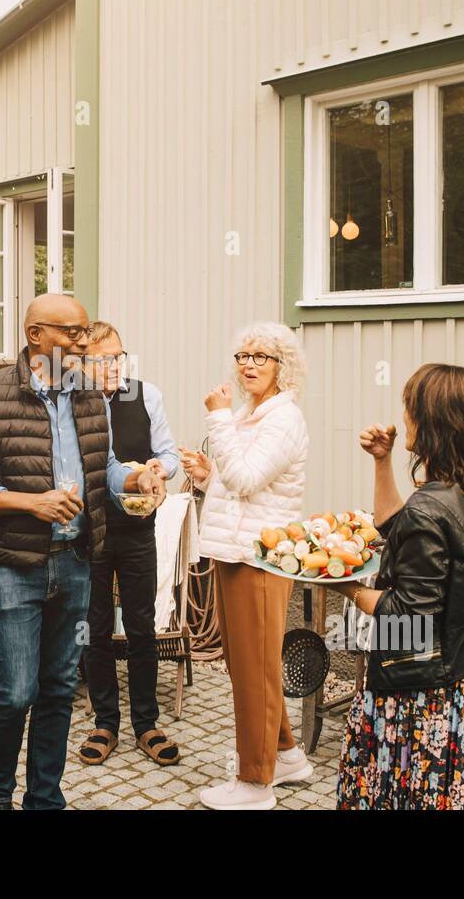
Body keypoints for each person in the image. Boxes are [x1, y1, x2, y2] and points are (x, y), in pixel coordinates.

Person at [0, 294, 165, 810]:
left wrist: (133, 475)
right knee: (15, 691)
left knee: (59, 688)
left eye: (85, 332)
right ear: (36, 334)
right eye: (73, 333)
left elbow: (103, 466)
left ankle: (45, 797)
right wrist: (29, 503)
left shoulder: (91, 395)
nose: (83, 342)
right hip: (14, 566)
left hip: (75, 563)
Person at [330, 364, 464, 810]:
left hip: (425, 699)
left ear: (433, 423)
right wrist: (381, 461)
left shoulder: (430, 508)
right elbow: (397, 528)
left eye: (411, 408)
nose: (404, 416)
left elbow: (408, 617)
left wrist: (345, 586)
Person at [180, 322, 311, 810]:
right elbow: (237, 481)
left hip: (258, 559)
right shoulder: (252, 413)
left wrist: (217, 421)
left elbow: (248, 478)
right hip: (233, 552)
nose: (248, 365)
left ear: (282, 365)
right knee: (247, 664)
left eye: (261, 356)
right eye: (242, 356)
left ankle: (256, 783)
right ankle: (287, 755)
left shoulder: (282, 418)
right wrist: (208, 473)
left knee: (254, 668)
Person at [77, 321, 181, 767]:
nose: (112, 366)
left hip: (139, 528)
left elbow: (171, 455)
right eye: (101, 359)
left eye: (117, 356)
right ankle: (105, 722)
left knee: (142, 626)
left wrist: (160, 467)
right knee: (94, 627)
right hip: (90, 531)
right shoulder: (72, 402)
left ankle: (146, 724)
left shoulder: (146, 395)